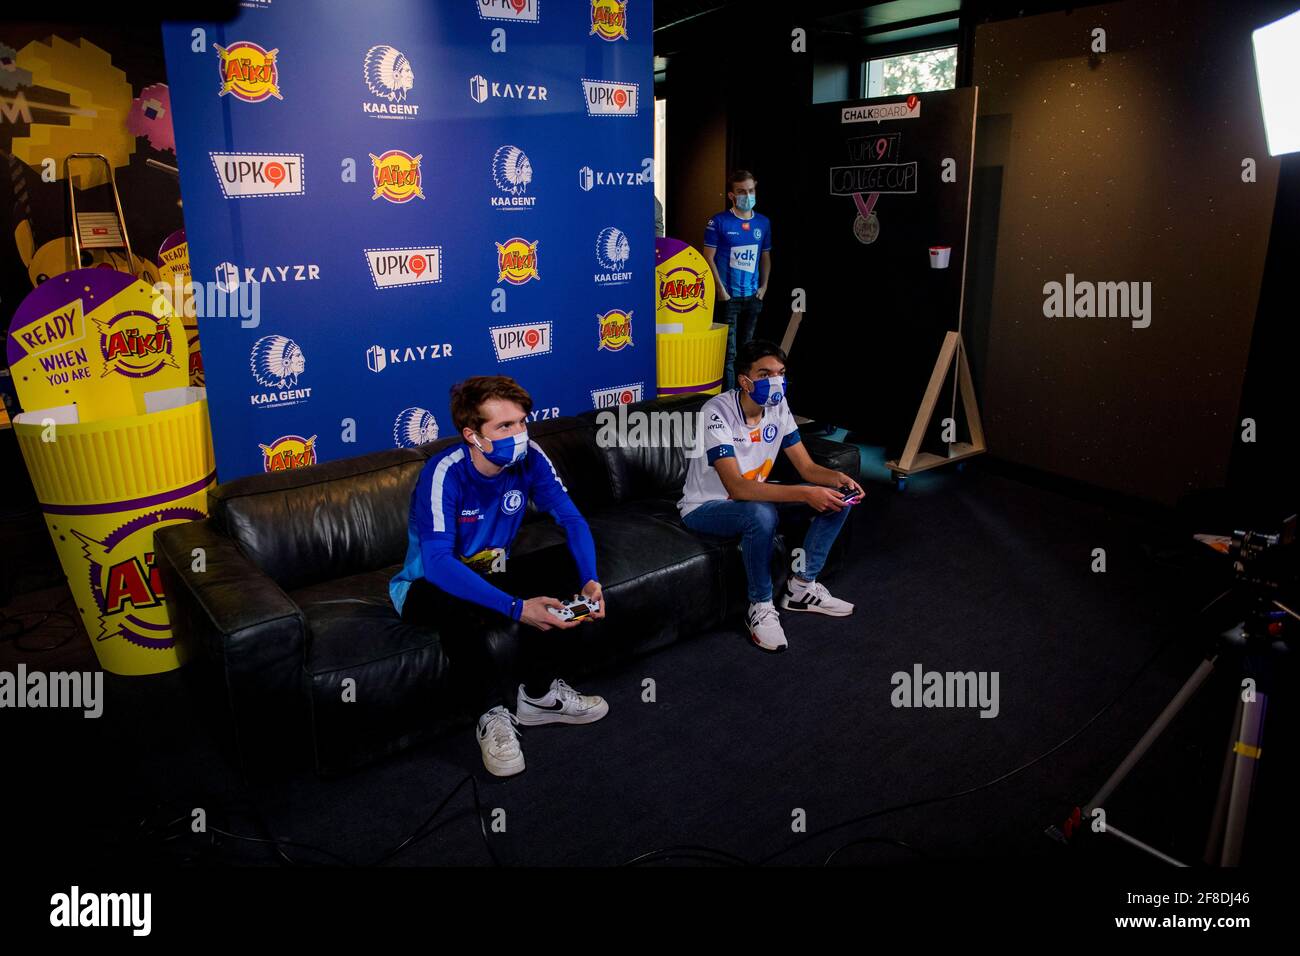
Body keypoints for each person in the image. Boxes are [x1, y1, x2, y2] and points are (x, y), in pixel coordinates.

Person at [390, 375, 608, 777]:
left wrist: (590, 579)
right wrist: (517, 608)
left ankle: (539, 696)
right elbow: (438, 564)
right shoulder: (444, 473)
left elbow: (572, 519)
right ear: (473, 435)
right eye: (504, 427)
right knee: (456, 604)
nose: (519, 433)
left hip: (492, 574)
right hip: (427, 587)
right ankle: (491, 715)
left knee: (564, 564)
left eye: (523, 422)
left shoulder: (532, 457)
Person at [678, 340, 861, 652]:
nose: (775, 381)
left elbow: (806, 467)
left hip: (751, 499)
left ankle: (802, 587)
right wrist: (805, 494)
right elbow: (737, 488)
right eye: (765, 374)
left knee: (837, 497)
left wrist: (837, 479)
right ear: (744, 380)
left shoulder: (778, 407)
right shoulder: (715, 412)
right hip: (706, 507)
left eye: (780, 373)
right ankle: (760, 606)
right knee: (761, 513)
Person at [702, 169, 772, 390]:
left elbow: (765, 256)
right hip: (729, 298)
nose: (747, 195)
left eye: (751, 190)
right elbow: (708, 258)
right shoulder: (719, 221)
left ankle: (747, 394)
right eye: (741, 191)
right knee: (729, 355)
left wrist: (764, 287)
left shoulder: (763, 222)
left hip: (753, 297)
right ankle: (731, 399)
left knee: (748, 350)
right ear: (732, 195)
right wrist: (721, 291)